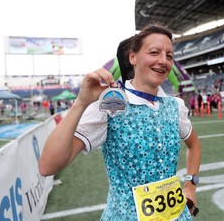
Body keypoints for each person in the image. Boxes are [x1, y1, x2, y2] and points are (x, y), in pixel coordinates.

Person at [39, 23, 201, 221]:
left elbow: (194, 145)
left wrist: (190, 185)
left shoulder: (175, 106)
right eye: (154, 52)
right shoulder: (111, 105)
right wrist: (80, 103)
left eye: (169, 56)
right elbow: (47, 166)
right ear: (132, 57)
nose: (163, 61)